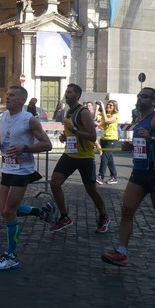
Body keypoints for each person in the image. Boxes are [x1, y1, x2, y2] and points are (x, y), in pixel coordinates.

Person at [101, 87, 155, 267]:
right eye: (138, 95)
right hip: (139, 172)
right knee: (127, 210)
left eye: (144, 96)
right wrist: (131, 146)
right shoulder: (138, 119)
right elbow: (142, 144)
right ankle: (121, 252)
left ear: (153, 101)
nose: (139, 98)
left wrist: (153, 140)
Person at [0, 85, 54, 270]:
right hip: (7, 168)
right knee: (4, 211)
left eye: (12, 95)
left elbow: (47, 144)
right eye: (7, 94)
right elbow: (5, 142)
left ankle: (11, 255)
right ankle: (41, 212)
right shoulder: (4, 118)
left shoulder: (29, 119)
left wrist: (25, 148)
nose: (7, 97)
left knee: (9, 211)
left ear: (22, 100)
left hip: (22, 171)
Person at [50, 84, 110, 233]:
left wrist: (73, 130)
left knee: (91, 190)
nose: (66, 94)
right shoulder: (69, 112)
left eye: (70, 92)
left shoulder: (83, 112)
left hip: (85, 157)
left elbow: (92, 136)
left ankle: (103, 216)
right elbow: (72, 133)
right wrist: (66, 136)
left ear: (77, 95)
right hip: (69, 155)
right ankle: (64, 217)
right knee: (55, 183)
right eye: (66, 92)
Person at [97, 100, 119, 184]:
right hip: (103, 138)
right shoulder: (104, 113)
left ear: (115, 107)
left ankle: (100, 176)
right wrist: (97, 108)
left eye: (111, 105)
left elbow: (106, 120)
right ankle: (114, 176)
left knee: (104, 157)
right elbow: (96, 118)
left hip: (112, 139)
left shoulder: (116, 115)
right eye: (108, 105)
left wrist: (102, 107)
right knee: (109, 159)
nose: (108, 106)